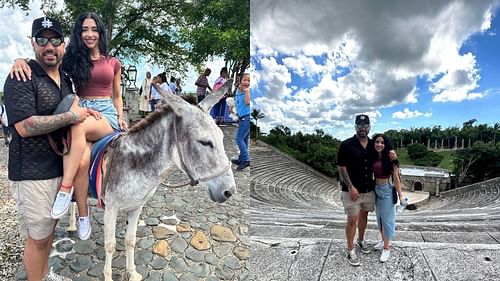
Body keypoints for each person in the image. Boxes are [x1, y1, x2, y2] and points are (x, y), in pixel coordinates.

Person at [11, 12, 128, 241]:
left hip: (104, 115)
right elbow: (45, 60)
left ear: (100, 32)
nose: (89, 34)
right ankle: (84, 216)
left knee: (77, 124)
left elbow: (117, 95)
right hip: (82, 109)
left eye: (94, 29)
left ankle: (65, 190)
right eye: (84, 29)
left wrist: (120, 116)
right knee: (82, 161)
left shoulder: (113, 62)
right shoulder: (73, 60)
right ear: (78, 33)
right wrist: (20, 61)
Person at [4, 16, 92, 281]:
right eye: (42, 40)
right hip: (32, 173)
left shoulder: (65, 79)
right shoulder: (22, 76)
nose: (49, 46)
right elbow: (23, 126)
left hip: (59, 168)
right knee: (38, 238)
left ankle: (43, 274)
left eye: (55, 40)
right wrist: (71, 117)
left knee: (50, 229)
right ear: (33, 43)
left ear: (63, 44)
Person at [337, 114, 375, 266]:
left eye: (365, 125)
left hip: (368, 190)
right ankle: (350, 248)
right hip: (351, 191)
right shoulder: (346, 145)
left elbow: (385, 156)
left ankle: (360, 240)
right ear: (355, 127)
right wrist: (351, 187)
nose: (363, 128)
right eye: (360, 125)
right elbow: (341, 167)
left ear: (369, 127)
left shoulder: (373, 144)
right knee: (352, 219)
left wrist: (393, 154)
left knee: (364, 216)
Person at [370, 133, 402, 262]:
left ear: (386, 144)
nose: (379, 144)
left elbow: (396, 177)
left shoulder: (390, 157)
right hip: (376, 190)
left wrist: (400, 194)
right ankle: (384, 241)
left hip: (387, 190)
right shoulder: (372, 156)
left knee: (387, 220)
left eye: (382, 142)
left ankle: (387, 248)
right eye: (377, 142)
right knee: (380, 219)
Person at [231, 73, 251, 170]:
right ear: (240, 81)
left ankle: (246, 160)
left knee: (238, 139)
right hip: (242, 118)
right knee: (244, 140)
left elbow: (247, 102)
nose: (246, 82)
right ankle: (242, 158)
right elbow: (238, 104)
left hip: (247, 118)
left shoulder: (249, 91)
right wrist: (233, 110)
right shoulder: (238, 91)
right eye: (244, 80)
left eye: (249, 81)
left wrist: (247, 91)